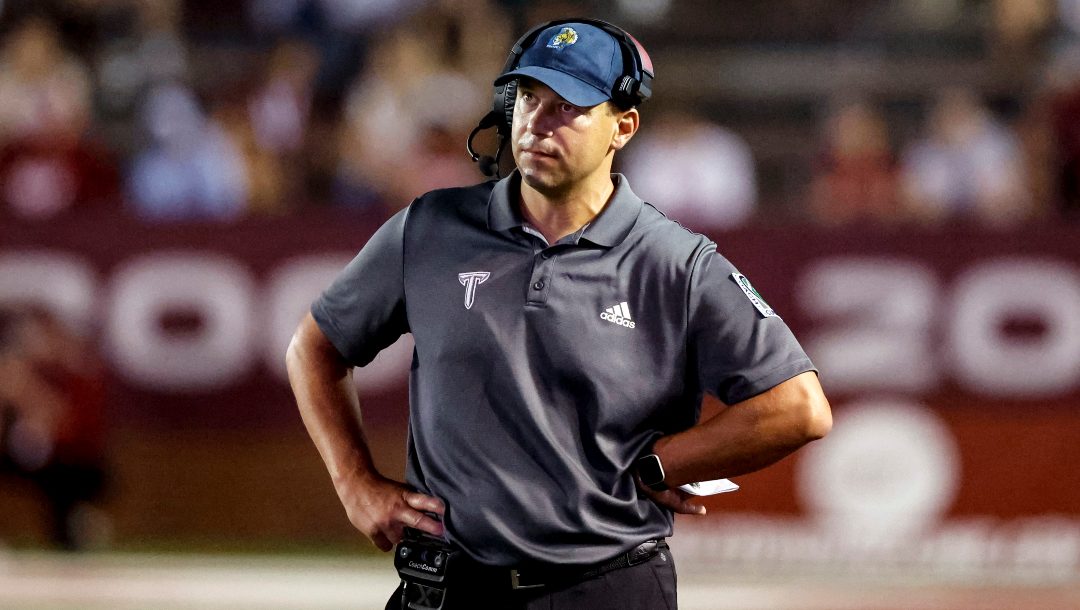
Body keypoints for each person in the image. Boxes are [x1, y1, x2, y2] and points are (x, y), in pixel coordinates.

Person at [287, 19, 831, 610]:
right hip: (447, 590)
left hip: (605, 588)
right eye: (527, 98)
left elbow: (797, 408)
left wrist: (660, 465)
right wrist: (355, 484)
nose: (536, 123)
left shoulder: (676, 262)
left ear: (622, 127)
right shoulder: (430, 229)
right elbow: (315, 347)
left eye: (568, 106)